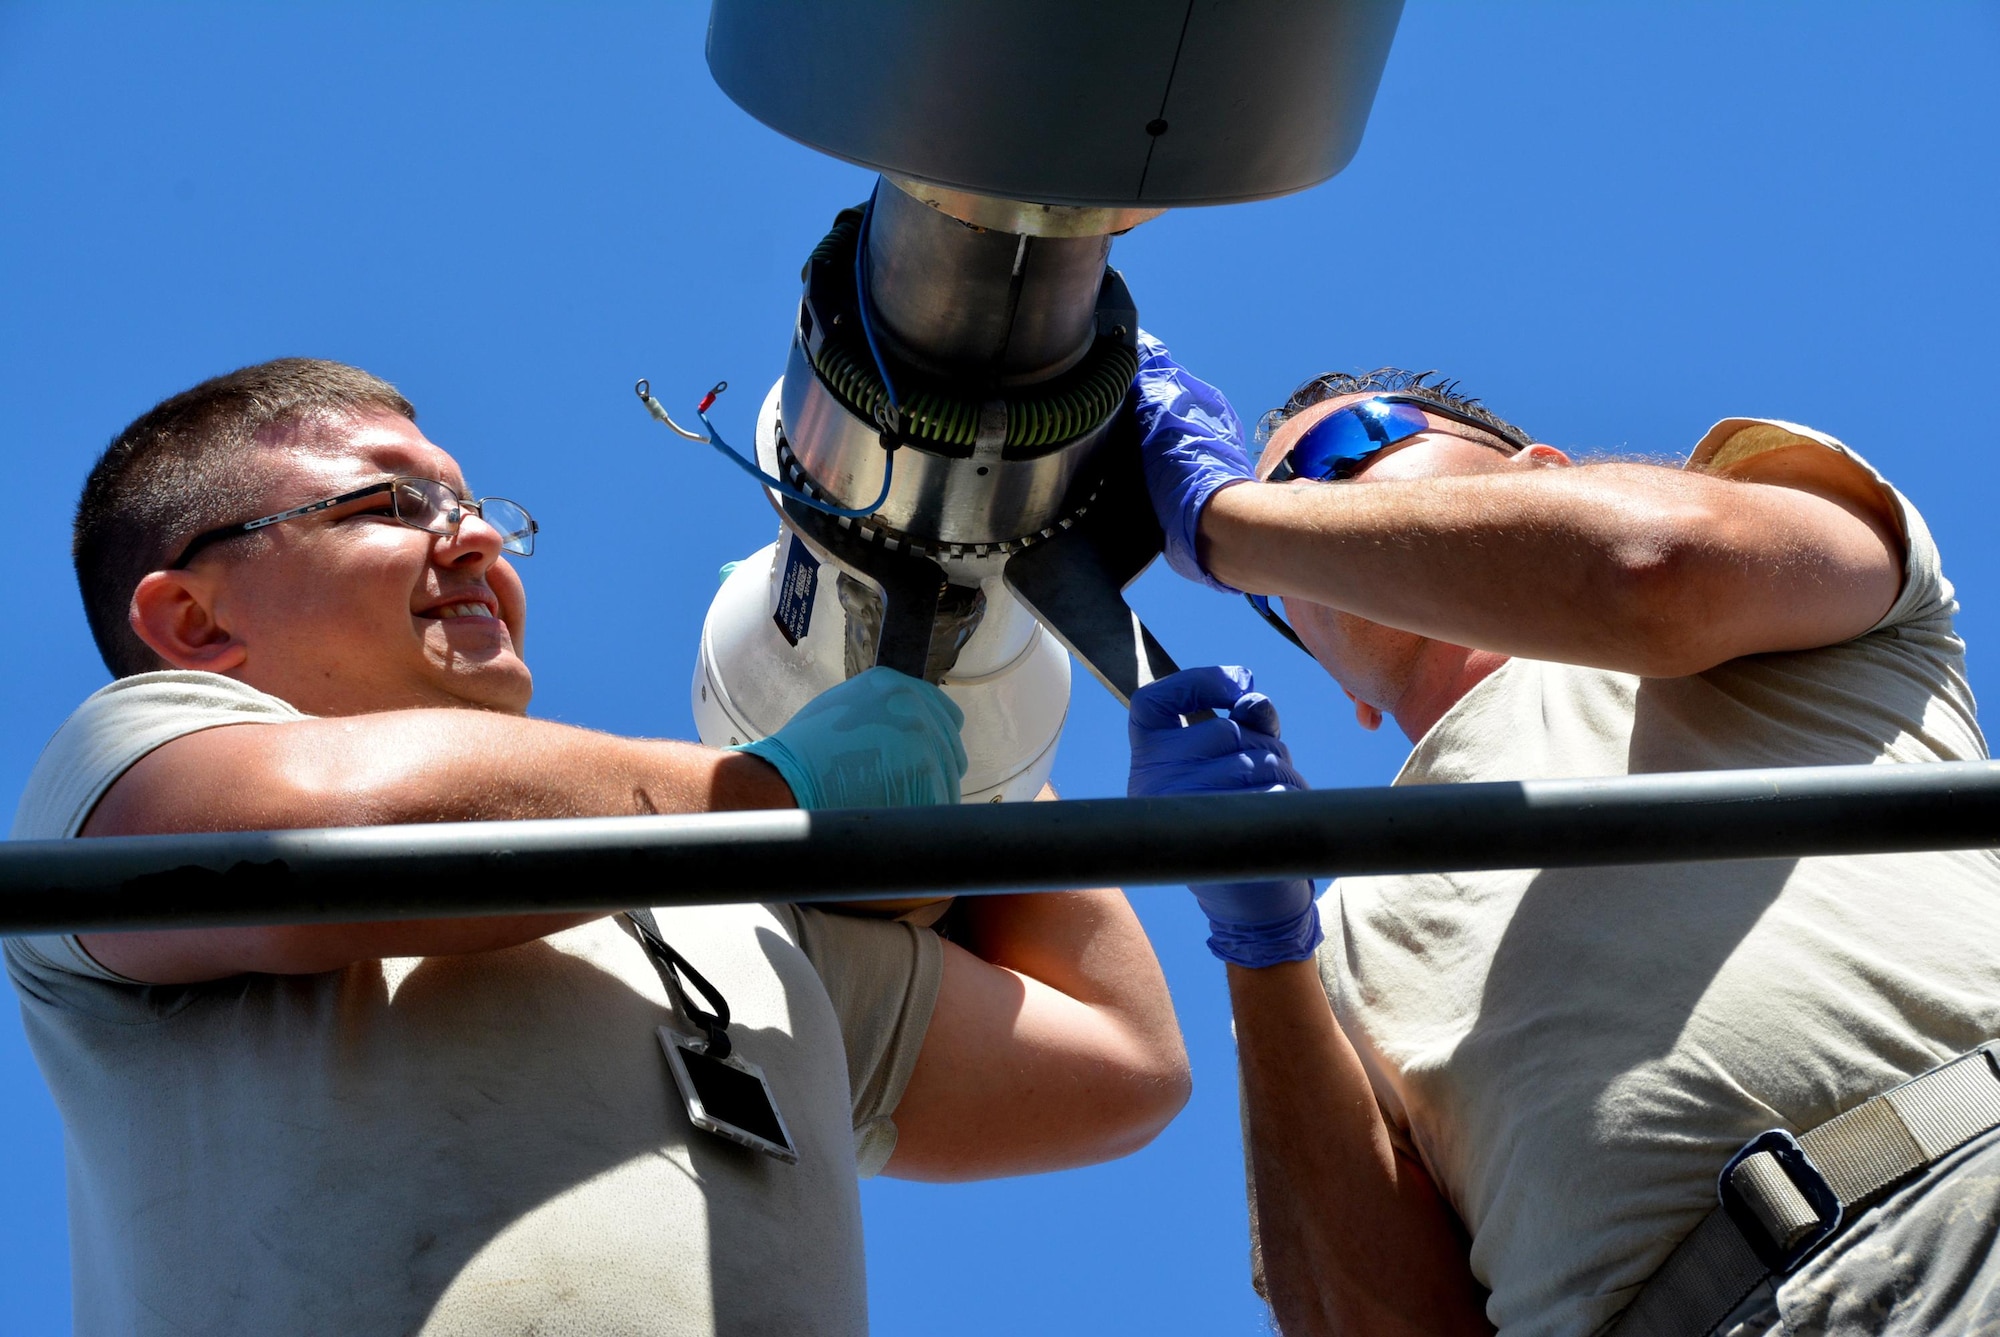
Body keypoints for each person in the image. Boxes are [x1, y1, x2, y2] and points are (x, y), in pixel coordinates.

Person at [7, 358, 1191, 1336]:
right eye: (389, 506)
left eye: (475, 507)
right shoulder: (124, 762)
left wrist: (981, 704)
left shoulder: (717, 901)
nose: (474, 541)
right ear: (191, 621)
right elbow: (329, 832)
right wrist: (768, 786)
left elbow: (1110, 1063)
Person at [1122, 335, 2000, 1336]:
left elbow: (1646, 566)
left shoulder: (1782, 584)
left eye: (1343, 454)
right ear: (1343, 696)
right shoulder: (1322, 943)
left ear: (1538, 471)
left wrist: (1228, 523)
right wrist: (1261, 953)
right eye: (1271, 586)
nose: (1303, 507)